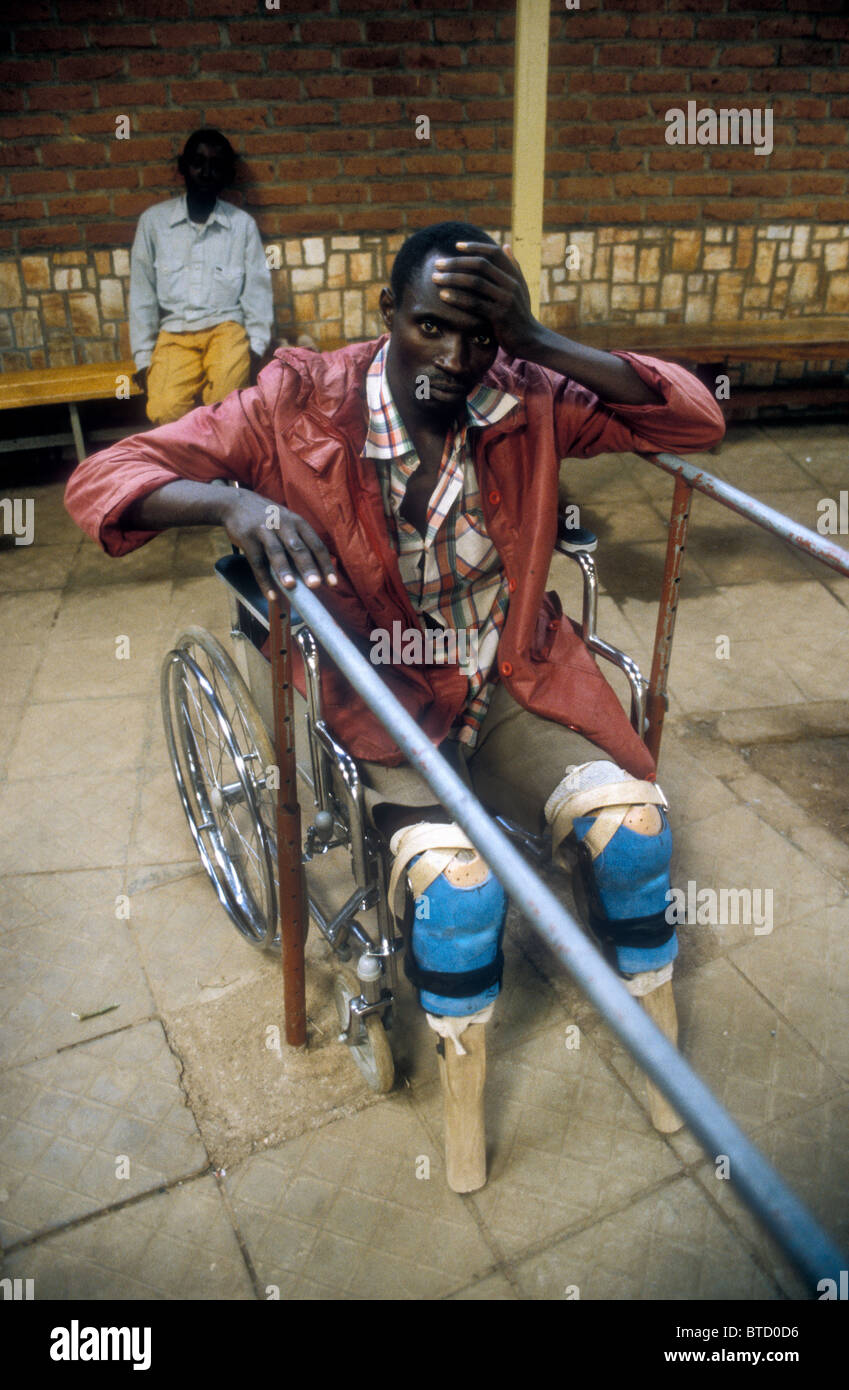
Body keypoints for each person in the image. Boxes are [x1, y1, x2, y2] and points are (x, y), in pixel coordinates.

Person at [66, 221, 724, 1048]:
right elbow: (106, 475)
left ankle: (654, 1015)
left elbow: (694, 420)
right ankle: (453, 1053)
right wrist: (233, 502)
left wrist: (535, 340)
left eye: (480, 334)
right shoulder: (295, 404)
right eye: (430, 326)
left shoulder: (528, 392)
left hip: (510, 668)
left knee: (634, 842)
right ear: (388, 312)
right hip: (384, 694)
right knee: (457, 896)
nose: (455, 357)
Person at [129, 128, 273, 426]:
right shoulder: (153, 223)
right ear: (182, 167)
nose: (206, 172)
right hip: (174, 334)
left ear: (228, 175)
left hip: (226, 330)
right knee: (163, 409)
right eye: (197, 163)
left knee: (229, 405)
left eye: (216, 165)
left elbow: (257, 293)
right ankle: (190, 468)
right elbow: (141, 295)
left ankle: (222, 469)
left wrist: (255, 348)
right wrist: (144, 359)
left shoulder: (242, 225)